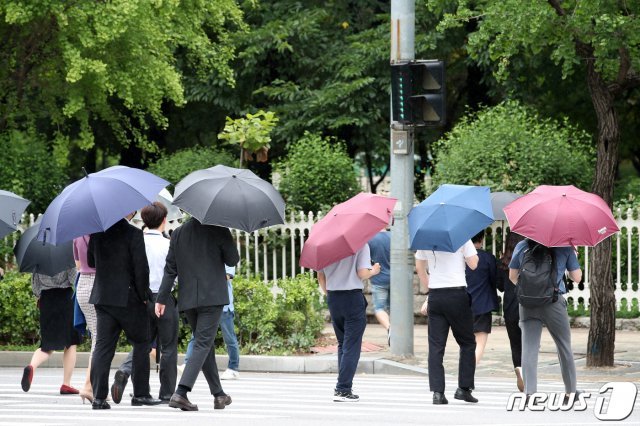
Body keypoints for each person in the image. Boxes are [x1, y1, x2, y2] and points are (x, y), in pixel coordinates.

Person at [155, 218, 239, 412]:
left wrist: (161, 298)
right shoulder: (220, 229)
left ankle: (219, 395)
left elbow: (170, 269)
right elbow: (232, 260)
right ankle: (181, 392)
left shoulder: (178, 233)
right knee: (202, 343)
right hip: (212, 296)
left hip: (189, 298)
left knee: (204, 344)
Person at [87, 212, 161, 409]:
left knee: (103, 347)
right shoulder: (133, 233)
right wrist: (144, 296)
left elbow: (92, 261)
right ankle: (141, 394)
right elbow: (141, 269)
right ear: (127, 212)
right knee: (142, 342)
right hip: (128, 298)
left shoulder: (97, 232)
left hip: (103, 297)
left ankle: (99, 397)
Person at [110, 202, 178, 404]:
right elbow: (176, 274)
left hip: (141, 299)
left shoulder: (135, 240)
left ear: (144, 220)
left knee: (142, 344)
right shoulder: (169, 245)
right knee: (168, 347)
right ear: (164, 221)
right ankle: (166, 393)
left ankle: (130, 377)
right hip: (165, 298)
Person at [508, 239, 582, 399]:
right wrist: (573, 256)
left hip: (527, 303)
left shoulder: (522, 245)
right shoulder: (564, 246)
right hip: (553, 303)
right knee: (563, 345)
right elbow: (577, 278)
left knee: (529, 347)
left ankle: (530, 393)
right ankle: (571, 391)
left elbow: (512, 276)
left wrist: (530, 291)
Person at [416, 240, 479, 405]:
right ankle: (464, 388)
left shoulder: (426, 239)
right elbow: (473, 264)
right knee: (467, 343)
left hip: (436, 295)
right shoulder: (462, 237)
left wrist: (431, 289)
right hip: (457, 294)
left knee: (436, 347)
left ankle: (437, 393)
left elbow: (419, 268)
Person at [317, 244, 380, 402]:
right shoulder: (360, 245)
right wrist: (374, 270)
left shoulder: (323, 245)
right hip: (352, 297)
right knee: (352, 345)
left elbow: (320, 276)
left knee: (342, 344)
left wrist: (330, 294)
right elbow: (362, 273)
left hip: (333, 297)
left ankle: (343, 385)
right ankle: (343, 389)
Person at [21, 268, 81, 395]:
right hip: (65, 299)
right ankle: (66, 384)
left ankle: (31, 366)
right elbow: (74, 279)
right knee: (70, 342)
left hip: (46, 301)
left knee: (47, 345)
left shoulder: (38, 259)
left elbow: (35, 287)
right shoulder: (65, 256)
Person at [179, 265, 240, 380]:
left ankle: (233, 368)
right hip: (208, 304)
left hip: (224, 305)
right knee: (197, 335)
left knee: (229, 338)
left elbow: (228, 276)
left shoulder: (226, 256)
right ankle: (187, 363)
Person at [496, 230, 526, 392]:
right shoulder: (530, 259)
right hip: (528, 304)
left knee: (515, 344)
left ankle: (519, 368)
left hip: (509, 306)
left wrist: (502, 261)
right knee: (529, 342)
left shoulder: (503, 263)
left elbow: (500, 286)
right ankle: (528, 373)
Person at [465, 231, 498, 366]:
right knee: (480, 342)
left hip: (462, 304)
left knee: (465, 343)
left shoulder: (460, 257)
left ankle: (465, 370)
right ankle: (468, 372)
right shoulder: (487, 258)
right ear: (482, 238)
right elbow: (494, 280)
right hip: (483, 304)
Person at [73, 235, 98, 403]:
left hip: (82, 284)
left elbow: (78, 265)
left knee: (97, 337)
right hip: (98, 284)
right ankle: (88, 386)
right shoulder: (101, 236)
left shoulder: (77, 237)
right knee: (100, 340)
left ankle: (94, 387)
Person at [367, 231, 391, 344]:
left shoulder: (370, 239)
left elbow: (366, 260)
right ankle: (397, 333)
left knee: (379, 308)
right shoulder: (394, 236)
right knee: (395, 309)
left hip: (378, 279)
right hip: (396, 279)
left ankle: (389, 328)